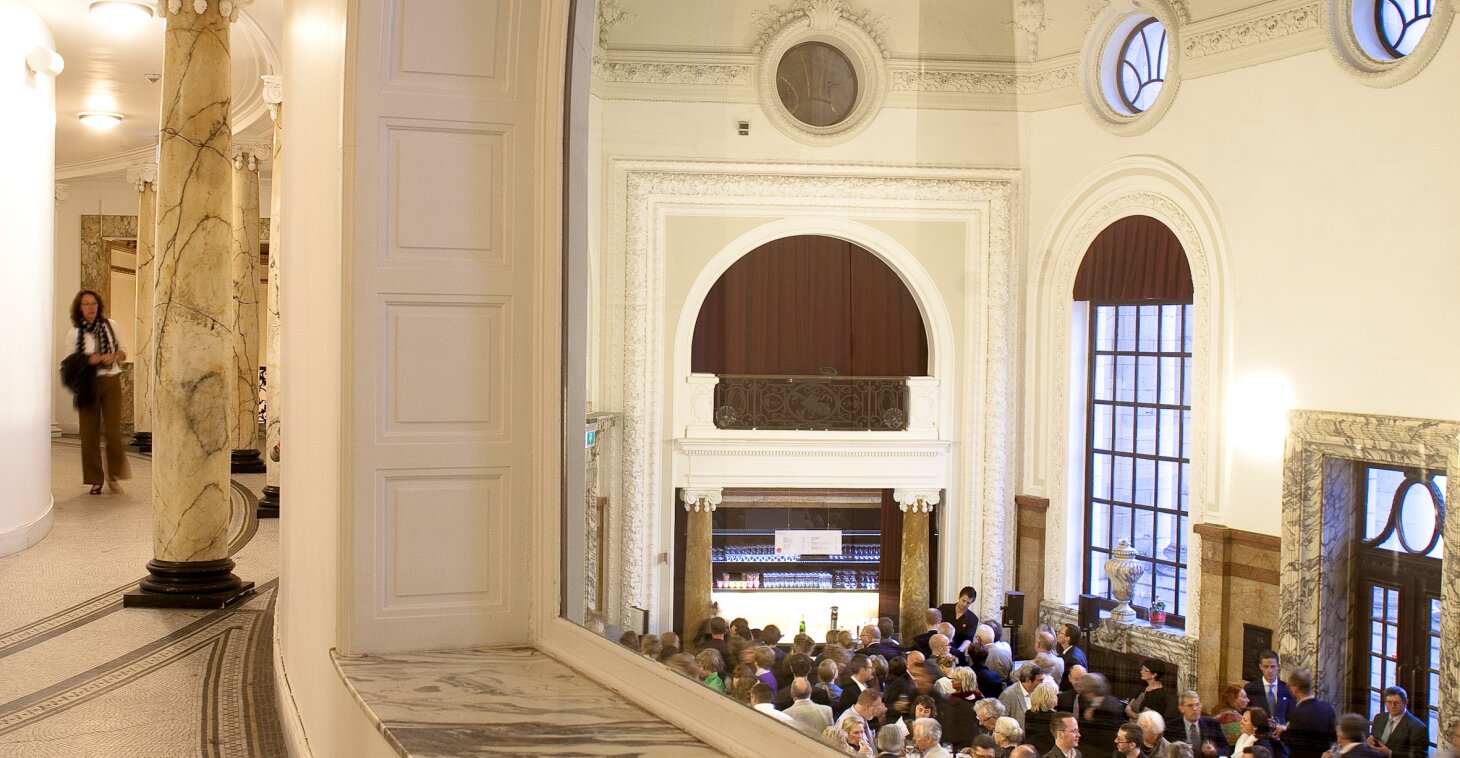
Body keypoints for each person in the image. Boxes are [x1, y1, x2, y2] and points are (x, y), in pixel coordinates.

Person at [66, 290, 131, 495]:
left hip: (111, 381)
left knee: (112, 432)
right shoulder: (74, 333)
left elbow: (124, 351)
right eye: (86, 304)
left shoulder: (111, 325)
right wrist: (88, 359)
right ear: (80, 308)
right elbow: (69, 362)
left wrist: (114, 355)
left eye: (93, 303)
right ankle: (95, 479)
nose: (91, 307)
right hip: (88, 386)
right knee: (89, 435)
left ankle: (113, 476)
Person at [1281, 669, 1335, 758]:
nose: (1289, 689)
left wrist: (1283, 733)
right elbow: (1333, 738)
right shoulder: (1327, 708)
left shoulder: (1297, 713)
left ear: (1295, 687)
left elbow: (1296, 745)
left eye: (1289, 685)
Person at [1166, 691, 1232, 758]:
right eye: (1190, 706)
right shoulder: (1171, 727)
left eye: (1197, 704)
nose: (1195, 709)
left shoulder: (1212, 724)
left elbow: (1226, 750)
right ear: (1181, 708)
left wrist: (1215, 752)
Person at [1367, 686, 1427, 758]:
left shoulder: (1418, 727)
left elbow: (1419, 756)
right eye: (1389, 702)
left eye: (1397, 703)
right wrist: (1370, 741)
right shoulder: (1379, 718)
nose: (1392, 706)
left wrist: (1390, 753)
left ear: (1406, 702)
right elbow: (1374, 739)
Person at [1243, 651, 1294, 727]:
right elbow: (1246, 715)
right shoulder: (1250, 688)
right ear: (1260, 667)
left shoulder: (1287, 689)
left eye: (1273, 666)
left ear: (1278, 666)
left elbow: (1292, 715)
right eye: (1266, 667)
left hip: (1281, 735)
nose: (1270, 671)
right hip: (1259, 734)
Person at [1000, 662, 1047, 729]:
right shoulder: (1008, 694)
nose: (1042, 683)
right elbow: (1002, 721)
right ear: (1028, 680)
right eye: (1040, 680)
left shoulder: (1040, 691)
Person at [1025, 681, 1062, 756]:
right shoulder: (1055, 717)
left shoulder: (1028, 713)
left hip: (1031, 753)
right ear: (1050, 698)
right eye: (1056, 695)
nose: (1057, 697)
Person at [1056, 624, 1088, 691]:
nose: (1057, 633)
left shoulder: (1072, 659)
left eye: (1060, 632)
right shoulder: (1076, 651)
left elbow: (1068, 685)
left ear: (1067, 639)